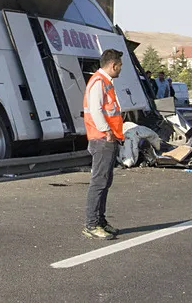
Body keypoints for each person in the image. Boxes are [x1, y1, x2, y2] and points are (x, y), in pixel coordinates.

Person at [82, 49, 125, 240]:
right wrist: (107, 131)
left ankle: (100, 221)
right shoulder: (99, 82)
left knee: (104, 181)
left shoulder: (105, 82)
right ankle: (91, 224)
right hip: (102, 138)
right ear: (113, 65)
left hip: (107, 138)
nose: (121, 68)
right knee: (99, 182)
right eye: (120, 65)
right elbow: (95, 109)